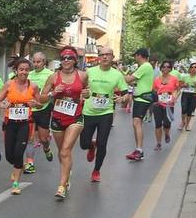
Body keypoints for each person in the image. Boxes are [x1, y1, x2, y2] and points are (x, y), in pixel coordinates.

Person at [80, 47, 134, 184]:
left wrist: (123, 99)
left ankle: (96, 170)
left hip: (106, 113)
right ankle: (91, 146)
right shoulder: (90, 71)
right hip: (89, 112)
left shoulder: (117, 75)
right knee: (83, 144)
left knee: (102, 143)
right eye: (102, 55)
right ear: (98, 57)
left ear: (112, 57)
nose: (104, 57)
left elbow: (126, 94)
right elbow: (81, 86)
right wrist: (83, 92)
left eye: (107, 55)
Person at [44, 46, 86, 200]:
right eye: (63, 58)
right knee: (62, 152)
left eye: (69, 58)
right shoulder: (53, 77)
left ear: (75, 60)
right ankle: (67, 173)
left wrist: (86, 94)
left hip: (75, 117)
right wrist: (53, 93)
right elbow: (42, 98)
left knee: (65, 151)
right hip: (57, 118)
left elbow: (87, 91)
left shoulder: (82, 76)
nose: (66, 61)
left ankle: (61, 187)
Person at [0, 58, 41, 195]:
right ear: (16, 71)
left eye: (27, 70)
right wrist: (2, 104)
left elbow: (40, 102)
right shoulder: (8, 85)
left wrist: (35, 104)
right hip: (10, 123)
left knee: (19, 153)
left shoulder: (33, 86)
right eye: (21, 69)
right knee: (9, 156)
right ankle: (19, 165)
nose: (24, 72)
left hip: (25, 123)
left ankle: (16, 183)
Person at [26, 51, 55, 174]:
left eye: (39, 62)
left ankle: (47, 148)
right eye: (34, 61)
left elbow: (54, 92)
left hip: (43, 108)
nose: (36, 64)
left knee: (43, 139)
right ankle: (30, 163)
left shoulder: (51, 74)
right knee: (30, 138)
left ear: (44, 62)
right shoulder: (29, 74)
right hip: (30, 109)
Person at [126, 47, 154, 162]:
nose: (135, 58)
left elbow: (129, 79)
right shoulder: (145, 67)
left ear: (139, 55)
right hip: (140, 99)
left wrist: (117, 74)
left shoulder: (145, 66)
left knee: (137, 123)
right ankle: (138, 149)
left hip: (143, 99)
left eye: (135, 56)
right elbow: (134, 81)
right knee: (136, 123)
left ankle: (139, 150)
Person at [151, 61, 181, 151]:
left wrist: (175, 97)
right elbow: (153, 91)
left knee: (167, 123)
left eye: (168, 67)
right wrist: (154, 101)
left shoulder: (174, 79)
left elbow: (178, 90)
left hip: (169, 104)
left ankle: (167, 133)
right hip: (158, 105)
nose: (166, 69)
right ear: (161, 68)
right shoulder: (157, 80)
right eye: (164, 67)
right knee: (158, 124)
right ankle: (158, 143)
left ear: (170, 69)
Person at [180, 62, 196, 132]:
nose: (193, 69)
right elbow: (180, 85)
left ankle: (187, 124)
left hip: (194, 95)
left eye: (195, 67)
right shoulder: (184, 76)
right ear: (190, 68)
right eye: (192, 67)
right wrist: (184, 85)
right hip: (185, 94)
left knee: (190, 110)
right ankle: (182, 122)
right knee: (184, 108)